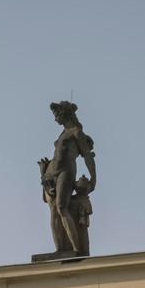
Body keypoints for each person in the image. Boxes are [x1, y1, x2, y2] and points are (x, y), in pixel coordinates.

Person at [40, 101, 96, 256]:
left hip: (66, 171)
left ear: (64, 113)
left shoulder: (76, 132)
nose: (55, 118)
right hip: (53, 174)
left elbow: (87, 156)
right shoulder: (63, 133)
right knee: (54, 211)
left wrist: (93, 179)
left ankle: (76, 249)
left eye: (57, 114)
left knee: (61, 207)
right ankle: (60, 249)